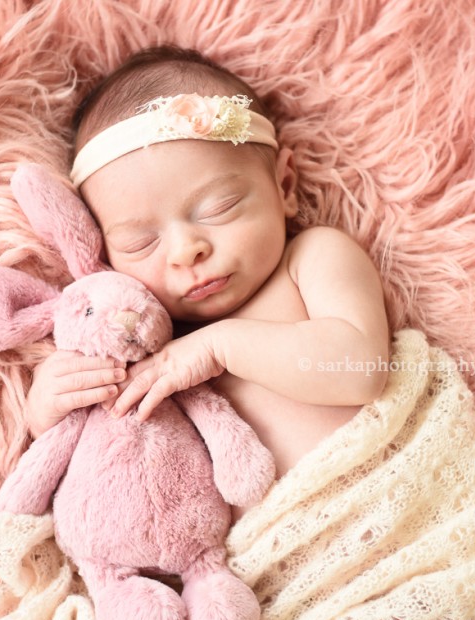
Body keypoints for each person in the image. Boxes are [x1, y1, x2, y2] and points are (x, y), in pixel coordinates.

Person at [25, 46, 390, 489]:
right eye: (141, 241)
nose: (185, 251)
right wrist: (47, 406)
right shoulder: (146, 340)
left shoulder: (312, 258)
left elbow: (361, 372)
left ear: (284, 185)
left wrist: (219, 347)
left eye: (220, 207)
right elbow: (108, 455)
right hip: (276, 548)